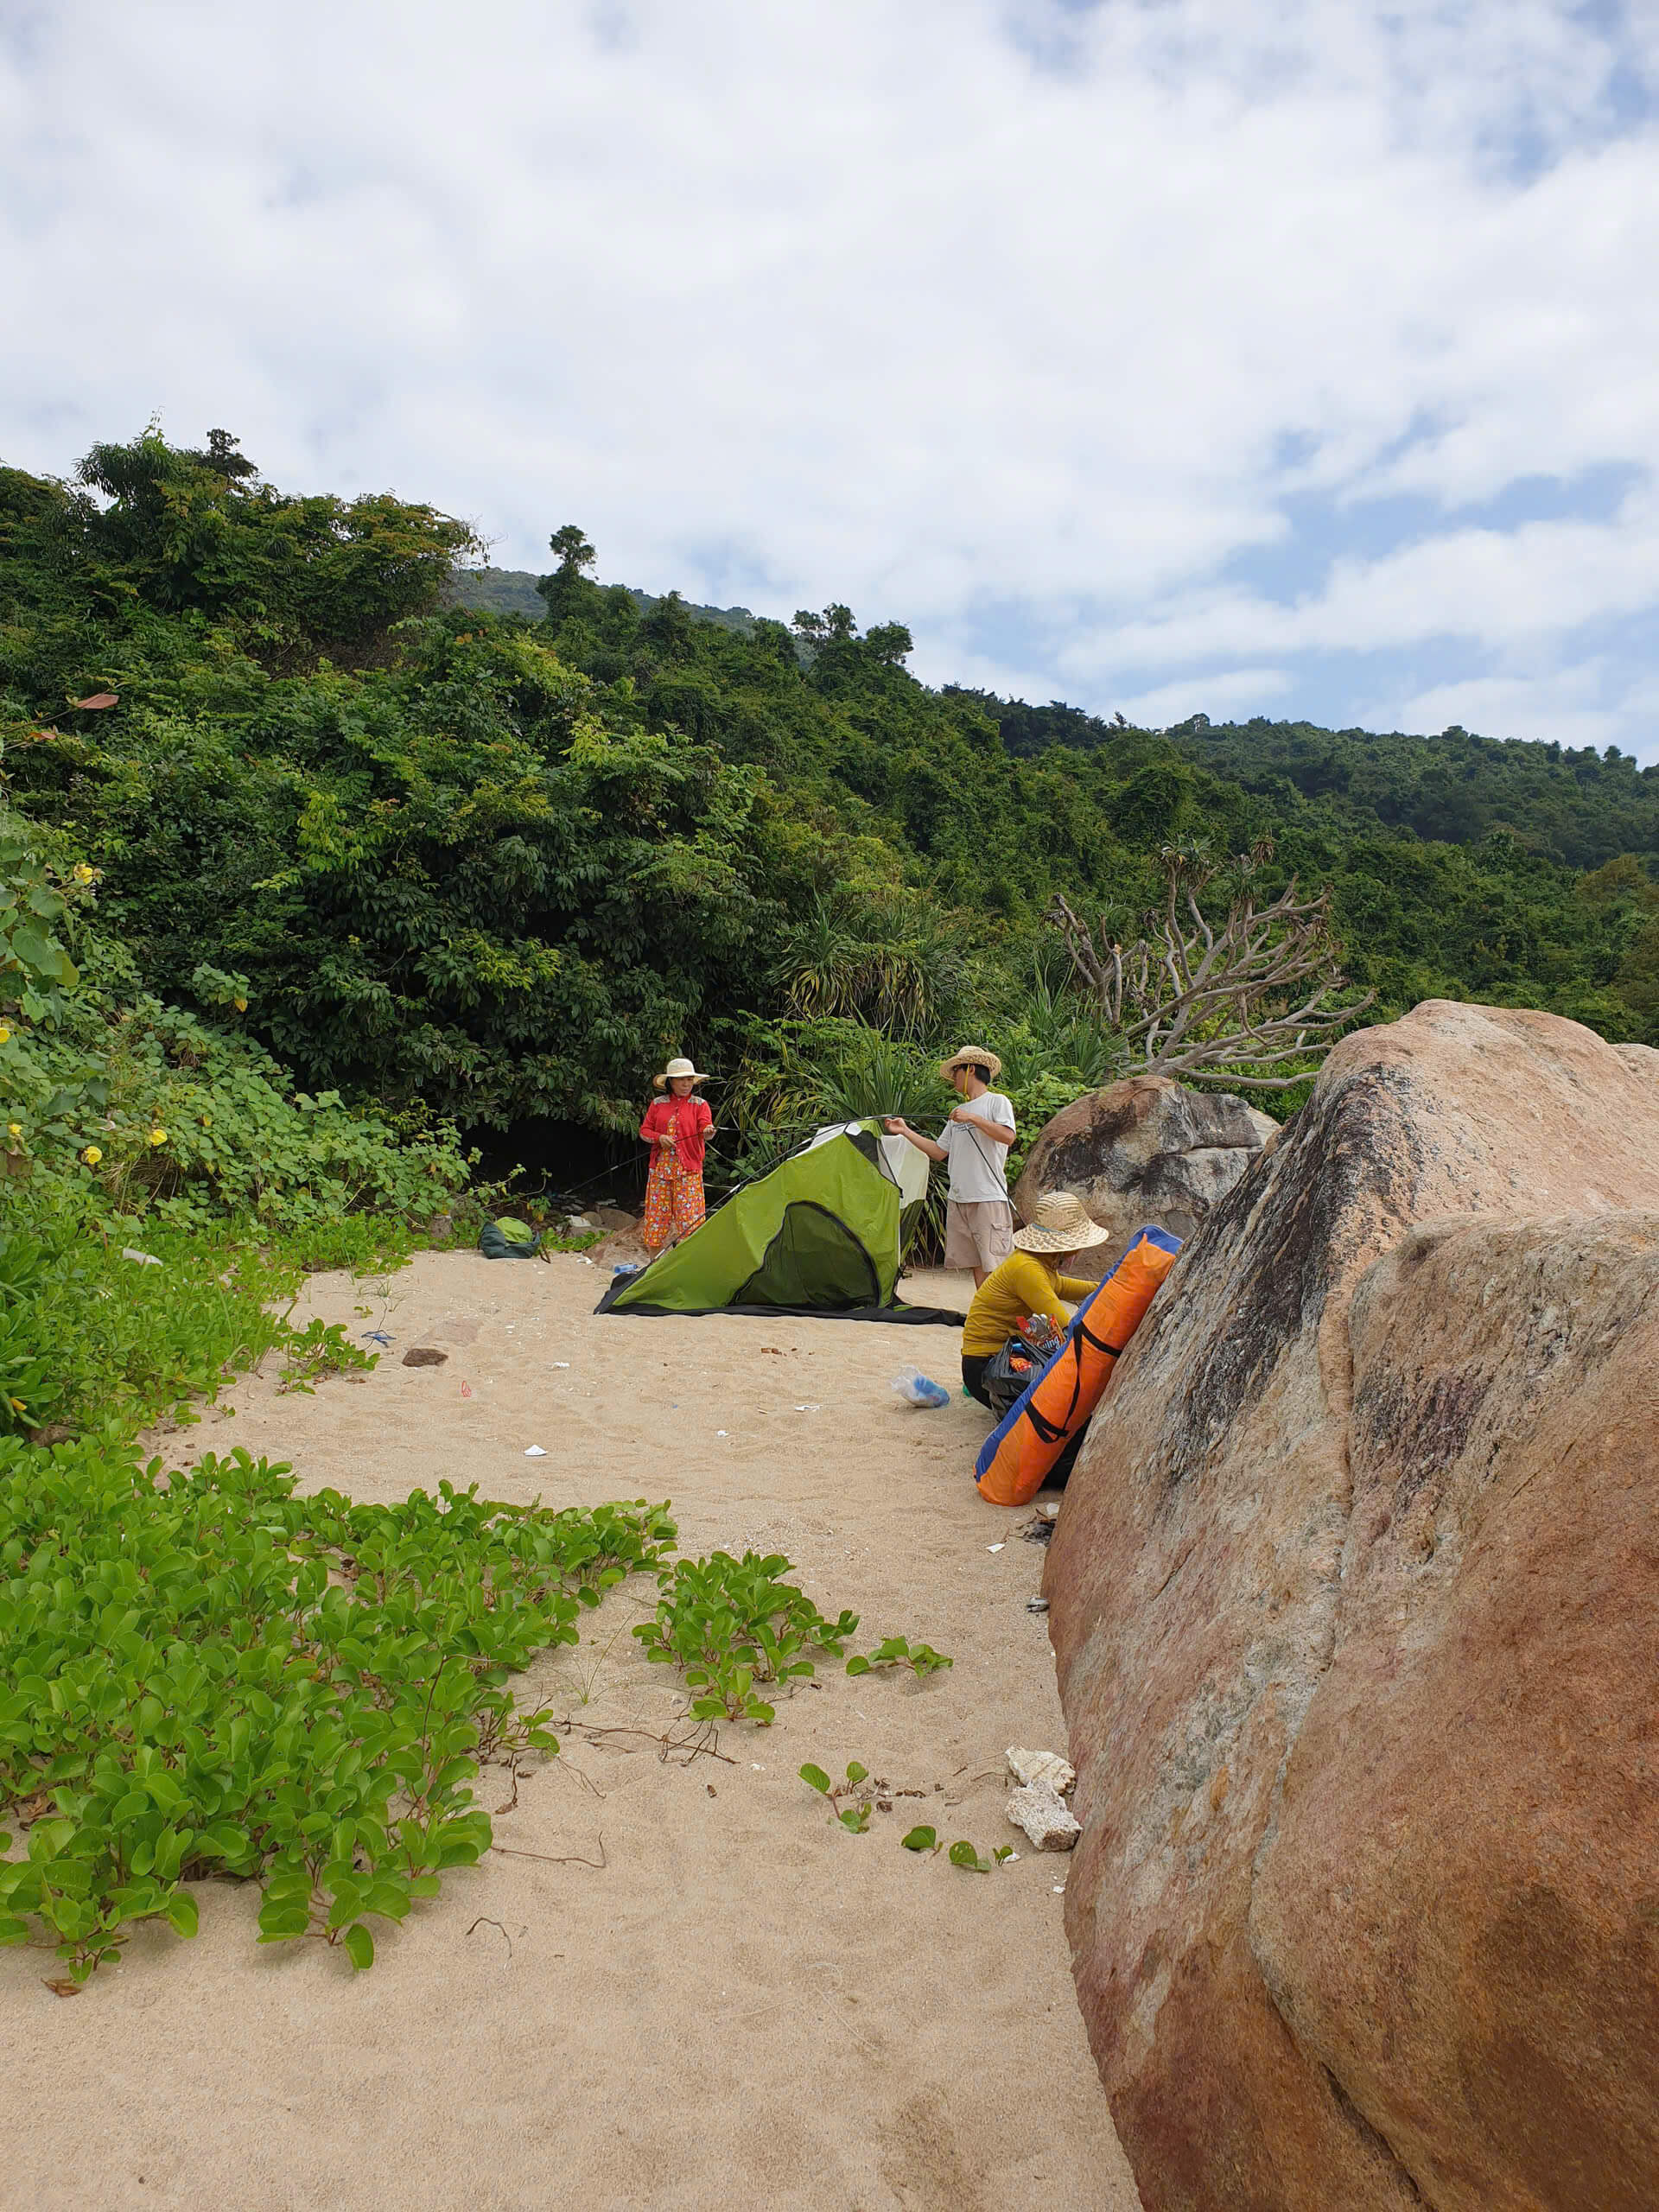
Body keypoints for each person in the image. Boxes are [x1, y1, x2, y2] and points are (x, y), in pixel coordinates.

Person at [958, 1190, 1110, 1408]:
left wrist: (1106, 1286)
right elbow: (1064, 1324)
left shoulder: (1037, 1262)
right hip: (987, 1365)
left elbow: (1062, 1286)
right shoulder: (1027, 1268)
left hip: (1004, 1356)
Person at [884, 1046, 1016, 1287]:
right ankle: (984, 1318)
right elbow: (938, 1152)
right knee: (977, 1265)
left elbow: (1008, 1136)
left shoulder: (997, 1102)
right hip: (959, 1198)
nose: (953, 1077)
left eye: (956, 1071)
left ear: (970, 1069)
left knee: (996, 1265)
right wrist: (904, 1130)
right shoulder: (958, 1112)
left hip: (988, 1198)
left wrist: (973, 1119)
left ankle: (1000, 1320)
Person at [640, 1056, 715, 1253]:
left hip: (688, 1171)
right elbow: (644, 1132)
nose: (686, 1084)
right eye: (681, 1079)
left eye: (689, 1079)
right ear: (671, 1082)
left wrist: (708, 1131)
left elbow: (705, 1127)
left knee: (690, 1222)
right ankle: (653, 1267)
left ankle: (688, 1267)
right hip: (660, 1171)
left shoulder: (700, 1104)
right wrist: (659, 1138)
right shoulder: (657, 1104)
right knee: (656, 1220)